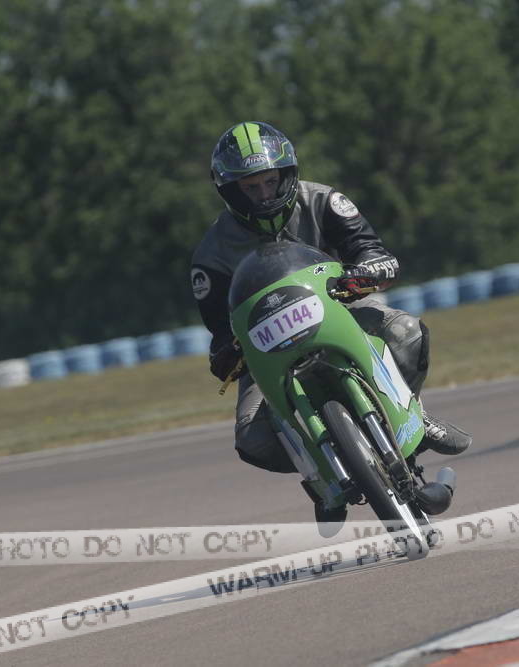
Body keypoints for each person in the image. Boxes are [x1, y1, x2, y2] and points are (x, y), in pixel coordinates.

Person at [190, 121, 471, 532]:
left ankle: (415, 415)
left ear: (287, 174)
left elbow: (376, 254)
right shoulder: (210, 255)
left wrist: (363, 274)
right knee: (252, 436)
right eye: (251, 187)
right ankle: (318, 475)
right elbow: (219, 334)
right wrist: (226, 353)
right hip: (267, 346)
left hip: (342, 309)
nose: (264, 194)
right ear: (231, 191)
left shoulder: (324, 200)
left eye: (270, 181)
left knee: (405, 332)